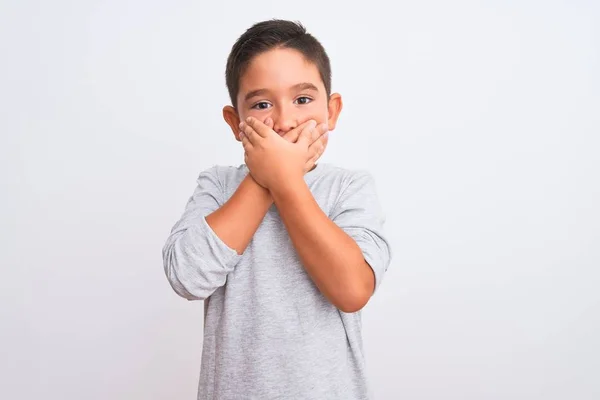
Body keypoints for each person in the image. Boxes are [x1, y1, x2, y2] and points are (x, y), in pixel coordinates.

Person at [162, 19, 392, 400]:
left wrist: (285, 182)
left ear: (331, 111)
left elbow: (352, 290)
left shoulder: (348, 188)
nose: (285, 122)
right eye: (262, 104)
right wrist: (265, 178)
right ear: (236, 123)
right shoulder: (218, 186)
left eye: (303, 99)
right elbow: (187, 276)